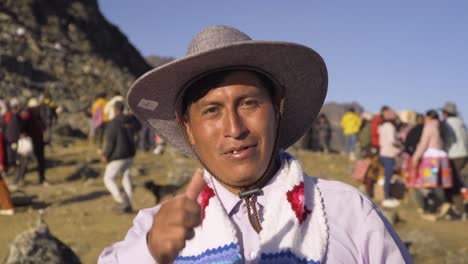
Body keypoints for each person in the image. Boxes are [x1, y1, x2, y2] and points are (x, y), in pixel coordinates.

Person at [98, 25, 412, 263]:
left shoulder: (347, 212)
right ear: (188, 128)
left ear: (277, 108)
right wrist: (149, 253)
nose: (234, 128)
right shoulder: (155, 229)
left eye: (249, 103)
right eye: (211, 111)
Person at [411, 110, 453, 219]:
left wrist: (415, 158)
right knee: (438, 184)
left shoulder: (429, 127)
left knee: (428, 184)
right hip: (442, 159)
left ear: (429, 117)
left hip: (431, 160)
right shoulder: (442, 126)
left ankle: (434, 208)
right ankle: (444, 203)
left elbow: (423, 143)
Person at [101, 101, 140, 213]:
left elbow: (110, 142)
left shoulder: (113, 123)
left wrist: (105, 155)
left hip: (118, 156)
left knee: (108, 178)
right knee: (126, 177)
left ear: (114, 110)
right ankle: (129, 203)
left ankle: (121, 200)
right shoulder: (130, 120)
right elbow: (139, 126)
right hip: (130, 154)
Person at [440, 102, 468, 211]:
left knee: (454, 182)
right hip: (464, 154)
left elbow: (448, 140)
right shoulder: (461, 122)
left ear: (446, 113)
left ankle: (459, 208)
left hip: (453, 155)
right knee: (458, 180)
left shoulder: (446, 123)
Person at [378, 109, 402, 208]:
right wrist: (400, 144)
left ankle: (386, 195)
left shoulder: (382, 126)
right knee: (388, 176)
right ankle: (387, 197)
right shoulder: (391, 127)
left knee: (386, 176)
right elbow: (392, 141)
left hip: (383, 152)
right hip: (389, 153)